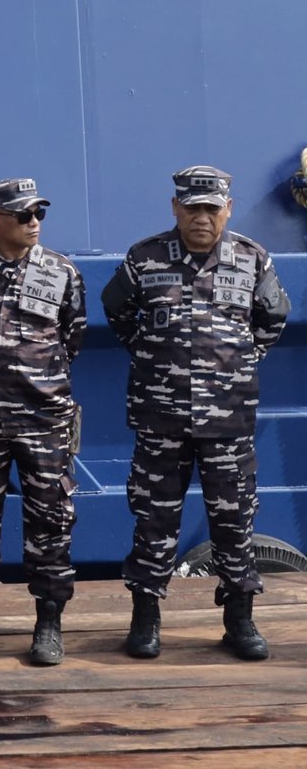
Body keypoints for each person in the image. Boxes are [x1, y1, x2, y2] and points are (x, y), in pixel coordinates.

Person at [100, 166, 290, 661]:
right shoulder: (144, 259)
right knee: (153, 520)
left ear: (227, 208)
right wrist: (154, 357)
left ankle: (240, 621)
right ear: (175, 207)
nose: (201, 217)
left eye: (211, 208)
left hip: (227, 420)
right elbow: (118, 313)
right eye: (192, 207)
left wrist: (239, 362)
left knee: (233, 521)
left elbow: (272, 318)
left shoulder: (251, 259)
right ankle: (145, 621)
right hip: (160, 418)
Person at [0, 179, 87, 666]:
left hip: (44, 418)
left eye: (38, 214)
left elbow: (72, 336)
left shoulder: (62, 270)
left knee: (51, 522)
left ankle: (48, 623)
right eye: (23, 215)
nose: (34, 223)